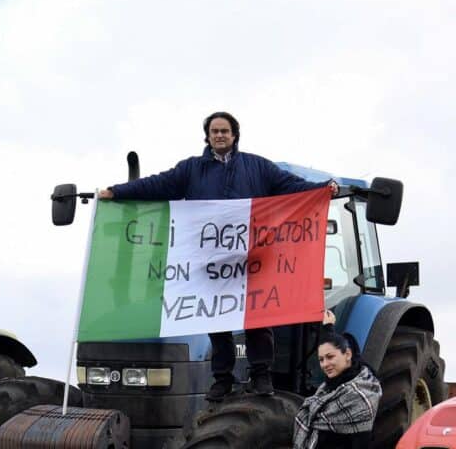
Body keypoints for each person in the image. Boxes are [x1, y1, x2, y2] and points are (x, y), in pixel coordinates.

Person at [98, 111, 337, 401]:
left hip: (253, 259)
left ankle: (261, 375)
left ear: (235, 135)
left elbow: (291, 185)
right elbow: (157, 184)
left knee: (258, 319)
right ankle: (222, 379)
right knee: (215, 320)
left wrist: (323, 189)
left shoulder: (258, 167)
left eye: (225, 131)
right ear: (208, 136)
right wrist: (117, 192)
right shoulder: (191, 170)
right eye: (215, 131)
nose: (220, 135)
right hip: (210, 261)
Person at [293, 310, 381, 449]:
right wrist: (328, 328)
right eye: (321, 360)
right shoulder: (327, 390)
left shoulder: (359, 395)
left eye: (330, 357)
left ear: (347, 354)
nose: (324, 364)